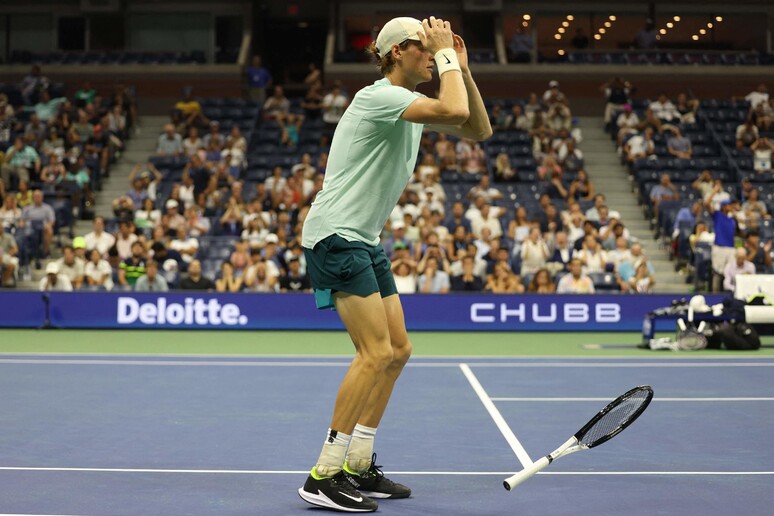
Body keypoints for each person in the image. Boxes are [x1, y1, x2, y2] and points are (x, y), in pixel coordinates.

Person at [298, 16, 491, 512]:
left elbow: (478, 128)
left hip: (364, 238)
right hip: (336, 236)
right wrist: (447, 58)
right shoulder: (378, 97)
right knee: (374, 353)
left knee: (398, 350)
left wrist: (461, 67)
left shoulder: (410, 106)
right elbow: (453, 109)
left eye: (433, 49)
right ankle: (323, 474)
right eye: (424, 48)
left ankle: (358, 463)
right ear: (397, 52)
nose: (432, 56)